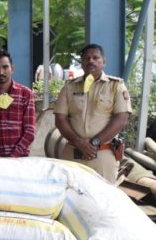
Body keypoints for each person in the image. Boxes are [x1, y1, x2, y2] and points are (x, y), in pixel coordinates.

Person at [54, 43, 132, 182]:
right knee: (70, 195)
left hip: (103, 153)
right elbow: (60, 119)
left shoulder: (116, 86)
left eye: (96, 58)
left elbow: (121, 119)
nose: (91, 61)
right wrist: (79, 142)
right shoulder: (69, 87)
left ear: (104, 62)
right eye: (86, 58)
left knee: (103, 198)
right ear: (82, 62)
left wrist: (94, 143)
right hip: (73, 152)